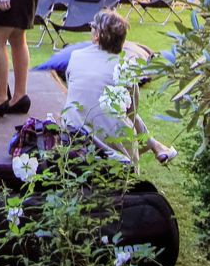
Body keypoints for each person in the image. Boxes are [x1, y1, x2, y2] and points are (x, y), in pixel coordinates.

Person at [62, 10, 177, 165]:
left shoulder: (76, 56)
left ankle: (157, 146)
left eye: (92, 27)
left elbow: (73, 91)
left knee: (109, 108)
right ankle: (156, 147)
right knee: (123, 114)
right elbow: (132, 111)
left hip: (72, 134)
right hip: (110, 145)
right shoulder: (125, 67)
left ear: (97, 36)